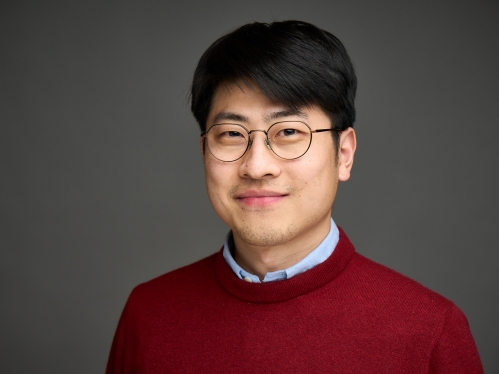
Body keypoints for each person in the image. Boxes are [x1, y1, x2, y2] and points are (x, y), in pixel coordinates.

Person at [106, 20, 483, 373]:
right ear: (204, 151)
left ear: (344, 153)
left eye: (288, 132)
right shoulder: (149, 315)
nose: (257, 166)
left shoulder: (429, 331)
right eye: (232, 134)